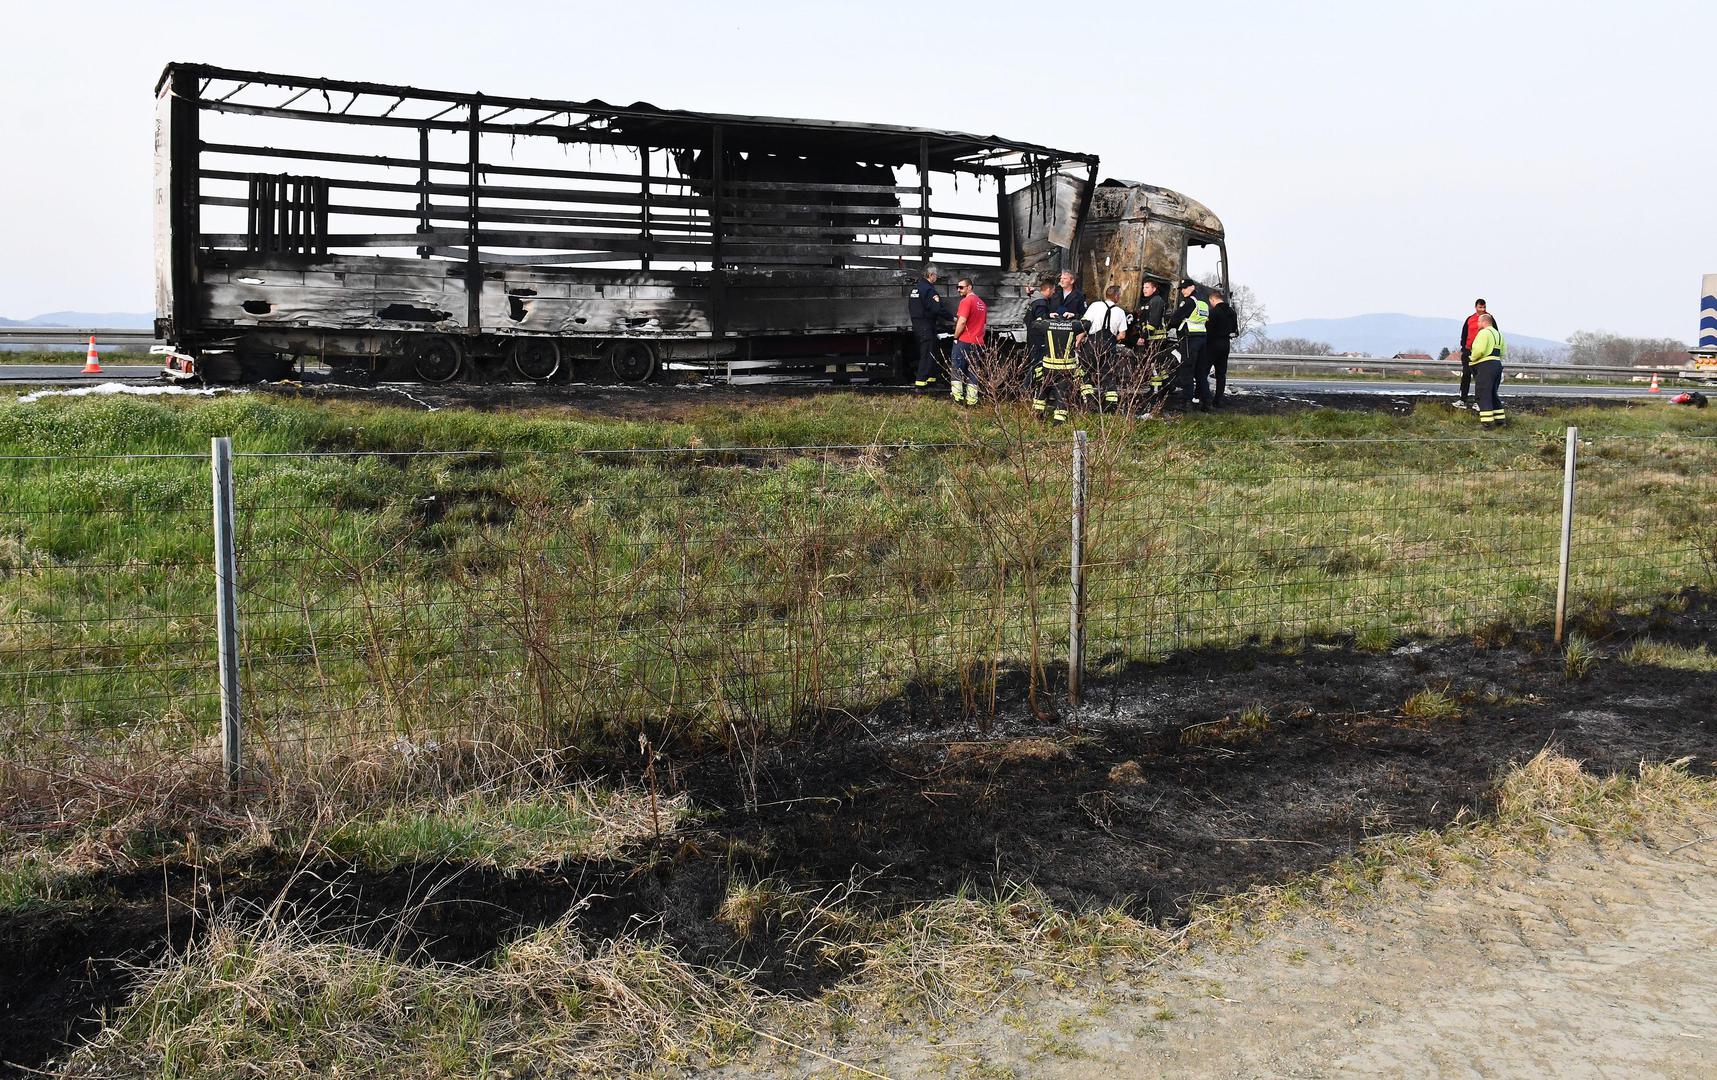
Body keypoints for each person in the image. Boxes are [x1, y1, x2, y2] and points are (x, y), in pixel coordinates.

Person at [1081, 285, 1131, 410]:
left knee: (1085, 372)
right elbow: (1122, 335)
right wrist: (1113, 340)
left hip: (1092, 344)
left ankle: (1090, 402)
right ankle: (1111, 406)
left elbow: (1084, 324)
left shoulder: (1095, 306)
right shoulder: (1120, 312)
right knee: (1108, 375)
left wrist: (1079, 339)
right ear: (1117, 296)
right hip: (1109, 345)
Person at [907, 265, 954, 390]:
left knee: (932, 351)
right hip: (926, 325)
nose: (937, 277)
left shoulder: (916, 289)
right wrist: (952, 318)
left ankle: (931, 379)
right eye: (935, 275)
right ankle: (920, 383)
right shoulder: (929, 290)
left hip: (918, 325)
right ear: (930, 275)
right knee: (927, 353)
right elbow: (936, 309)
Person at [1169, 279, 1210, 410]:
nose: (1183, 291)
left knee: (1187, 369)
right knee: (1201, 372)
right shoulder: (1203, 302)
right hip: (1202, 338)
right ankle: (1206, 401)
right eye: (1181, 288)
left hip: (1189, 339)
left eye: (1185, 288)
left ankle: (1186, 402)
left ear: (1192, 287)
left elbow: (1175, 319)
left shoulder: (1189, 302)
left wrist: (1169, 325)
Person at [949, 278, 987, 406]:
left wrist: (955, 337)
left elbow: (962, 321)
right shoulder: (982, 303)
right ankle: (972, 400)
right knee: (974, 370)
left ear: (969, 287)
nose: (959, 290)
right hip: (978, 342)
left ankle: (957, 398)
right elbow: (984, 326)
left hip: (964, 340)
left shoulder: (966, 301)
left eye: (961, 287)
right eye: (957, 287)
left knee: (957, 368)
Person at [1455, 299, 1497, 409]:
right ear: (1476, 307)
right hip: (1469, 351)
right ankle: (1462, 399)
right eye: (1480, 307)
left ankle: (1479, 402)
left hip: (1483, 353)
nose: (1482, 310)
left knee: (1481, 378)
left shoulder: (1489, 319)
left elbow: (1495, 334)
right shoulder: (1470, 319)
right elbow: (1464, 334)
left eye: (1484, 307)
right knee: (1466, 375)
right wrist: (1464, 348)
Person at [1467, 312, 1507, 425]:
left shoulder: (1483, 333)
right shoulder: (1499, 334)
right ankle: (1500, 420)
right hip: (1497, 365)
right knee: (1493, 393)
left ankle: (1487, 423)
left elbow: (1478, 350)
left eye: (1479, 321)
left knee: (1483, 394)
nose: (1477, 324)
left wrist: (1472, 359)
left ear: (1484, 322)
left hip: (1485, 366)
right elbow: (1503, 352)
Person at [1025, 277, 1056, 416]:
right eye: (1053, 290)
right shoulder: (1042, 303)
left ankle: (1027, 387)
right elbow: (1040, 322)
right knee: (1037, 363)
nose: (1054, 293)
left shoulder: (1035, 300)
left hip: (1031, 337)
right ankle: (1031, 387)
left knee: (1033, 361)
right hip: (1038, 339)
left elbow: (1027, 319)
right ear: (1048, 289)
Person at [1135, 279, 1171, 396]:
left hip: (1155, 338)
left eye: (1147, 287)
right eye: (1143, 287)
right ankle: (1166, 384)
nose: (1144, 290)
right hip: (1153, 338)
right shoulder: (1149, 301)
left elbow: (1153, 322)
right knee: (1158, 365)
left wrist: (1143, 337)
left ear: (1154, 289)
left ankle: (1155, 391)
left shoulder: (1156, 301)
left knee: (1153, 365)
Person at [1205, 288, 1238, 408]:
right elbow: (1234, 330)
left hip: (1213, 343)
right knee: (1221, 373)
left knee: (1204, 371)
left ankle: (1203, 397)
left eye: (1211, 302)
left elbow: (1208, 329)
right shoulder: (1232, 312)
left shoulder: (1213, 312)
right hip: (1225, 344)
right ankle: (1218, 400)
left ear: (1213, 300)